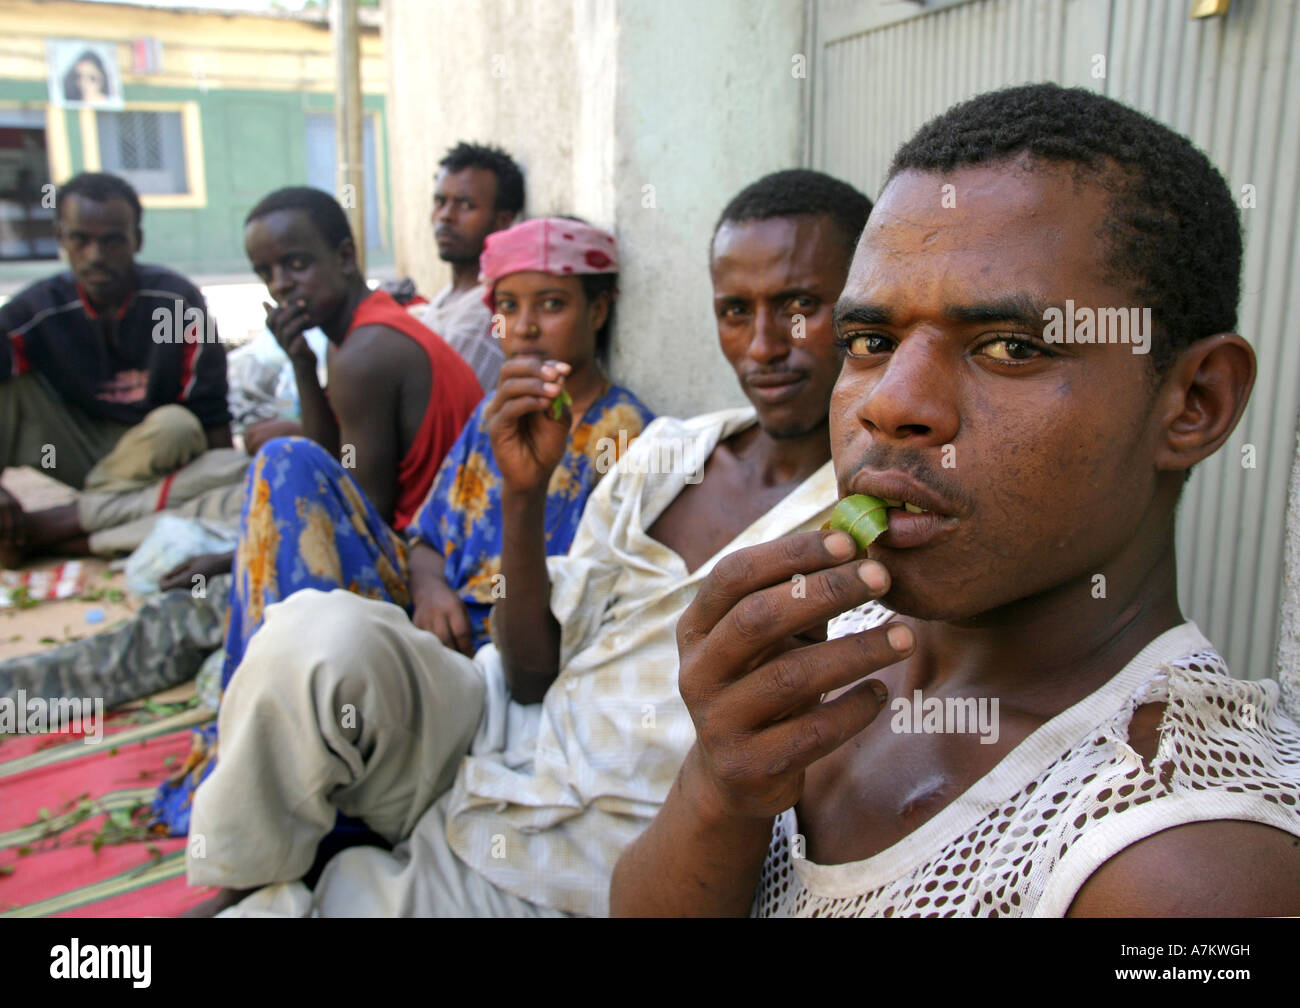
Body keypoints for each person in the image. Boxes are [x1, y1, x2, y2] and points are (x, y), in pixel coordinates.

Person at [610, 83, 1300, 918]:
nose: (889, 404)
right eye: (870, 341)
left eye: (1009, 347)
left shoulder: (1189, 871)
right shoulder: (828, 653)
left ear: (1195, 402)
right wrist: (722, 786)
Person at [182, 168, 874, 917]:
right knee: (312, 636)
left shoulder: (864, 521)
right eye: (736, 311)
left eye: (802, 306)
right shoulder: (673, 450)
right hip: (495, 720)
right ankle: (246, 874)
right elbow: (532, 675)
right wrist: (522, 493)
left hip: (585, 836)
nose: (765, 345)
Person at [150, 217, 654, 833]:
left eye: (552, 305)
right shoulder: (497, 409)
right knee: (286, 461)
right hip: (424, 617)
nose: (523, 327)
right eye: (508, 307)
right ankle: (260, 733)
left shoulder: (623, 433)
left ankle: (292, 765)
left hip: (489, 665)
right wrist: (430, 586)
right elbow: (426, 536)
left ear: (599, 311)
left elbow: (568, 626)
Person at [0, 171, 243, 564]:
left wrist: (221, 477)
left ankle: (49, 531)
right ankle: (106, 514)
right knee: (8, 390)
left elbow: (211, 413)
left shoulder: (175, 301)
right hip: (80, 451)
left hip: (155, 459)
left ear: (137, 241)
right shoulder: (36, 310)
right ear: (62, 238)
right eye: (81, 239)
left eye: (112, 240)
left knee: (177, 427)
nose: (96, 255)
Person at [414, 142, 525, 394]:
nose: (445, 216)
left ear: (503, 220)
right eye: (440, 201)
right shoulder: (452, 294)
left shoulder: (488, 314)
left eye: (466, 206)